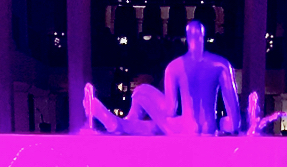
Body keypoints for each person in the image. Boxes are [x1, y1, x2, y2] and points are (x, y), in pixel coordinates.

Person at [85, 19, 240, 135]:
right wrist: (222, 123)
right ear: (204, 36)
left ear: (187, 37)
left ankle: (119, 124)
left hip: (183, 127)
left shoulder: (174, 67)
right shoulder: (221, 65)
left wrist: (150, 103)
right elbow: (235, 122)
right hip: (209, 128)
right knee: (146, 103)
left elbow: (170, 110)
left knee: (141, 93)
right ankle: (123, 123)